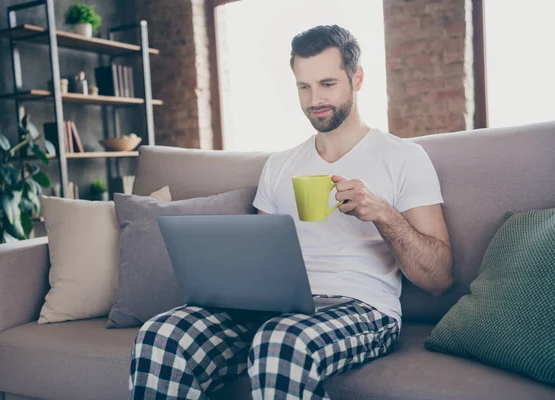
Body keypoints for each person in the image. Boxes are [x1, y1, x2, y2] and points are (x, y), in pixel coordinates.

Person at [129, 24, 453, 400]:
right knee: (162, 335)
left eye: (328, 84)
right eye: (304, 86)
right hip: (277, 308)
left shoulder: (403, 157)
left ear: (357, 79)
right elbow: (261, 258)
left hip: (361, 308)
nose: (315, 98)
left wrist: (383, 213)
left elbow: (439, 278)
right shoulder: (280, 165)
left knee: (281, 341)